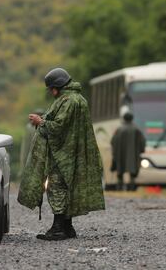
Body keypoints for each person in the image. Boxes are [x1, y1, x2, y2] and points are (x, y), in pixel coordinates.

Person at [18, 67, 105, 241]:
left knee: (56, 188)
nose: (51, 92)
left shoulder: (68, 101)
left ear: (56, 87)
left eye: (51, 88)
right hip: (73, 154)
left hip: (63, 154)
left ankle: (58, 228)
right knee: (67, 188)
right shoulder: (78, 99)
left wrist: (40, 121)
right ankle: (67, 227)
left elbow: (58, 127)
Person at [110, 109, 146, 191]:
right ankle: (131, 188)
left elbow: (113, 142)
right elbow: (142, 142)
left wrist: (114, 153)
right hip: (133, 155)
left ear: (124, 119)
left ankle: (120, 188)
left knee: (120, 173)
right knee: (132, 173)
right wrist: (141, 150)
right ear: (132, 119)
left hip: (120, 155)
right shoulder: (137, 130)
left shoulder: (119, 129)